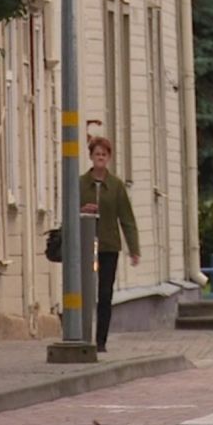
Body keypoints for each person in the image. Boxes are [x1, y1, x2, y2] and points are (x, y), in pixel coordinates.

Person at [80, 135, 140, 353]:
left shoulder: (115, 186)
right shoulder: (80, 184)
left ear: (109, 158)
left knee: (105, 294)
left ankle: (101, 340)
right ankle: (81, 334)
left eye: (104, 155)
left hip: (108, 246)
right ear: (91, 157)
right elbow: (70, 213)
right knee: (84, 291)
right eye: (97, 154)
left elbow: (126, 218)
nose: (100, 158)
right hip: (85, 247)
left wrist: (134, 249)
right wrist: (83, 211)